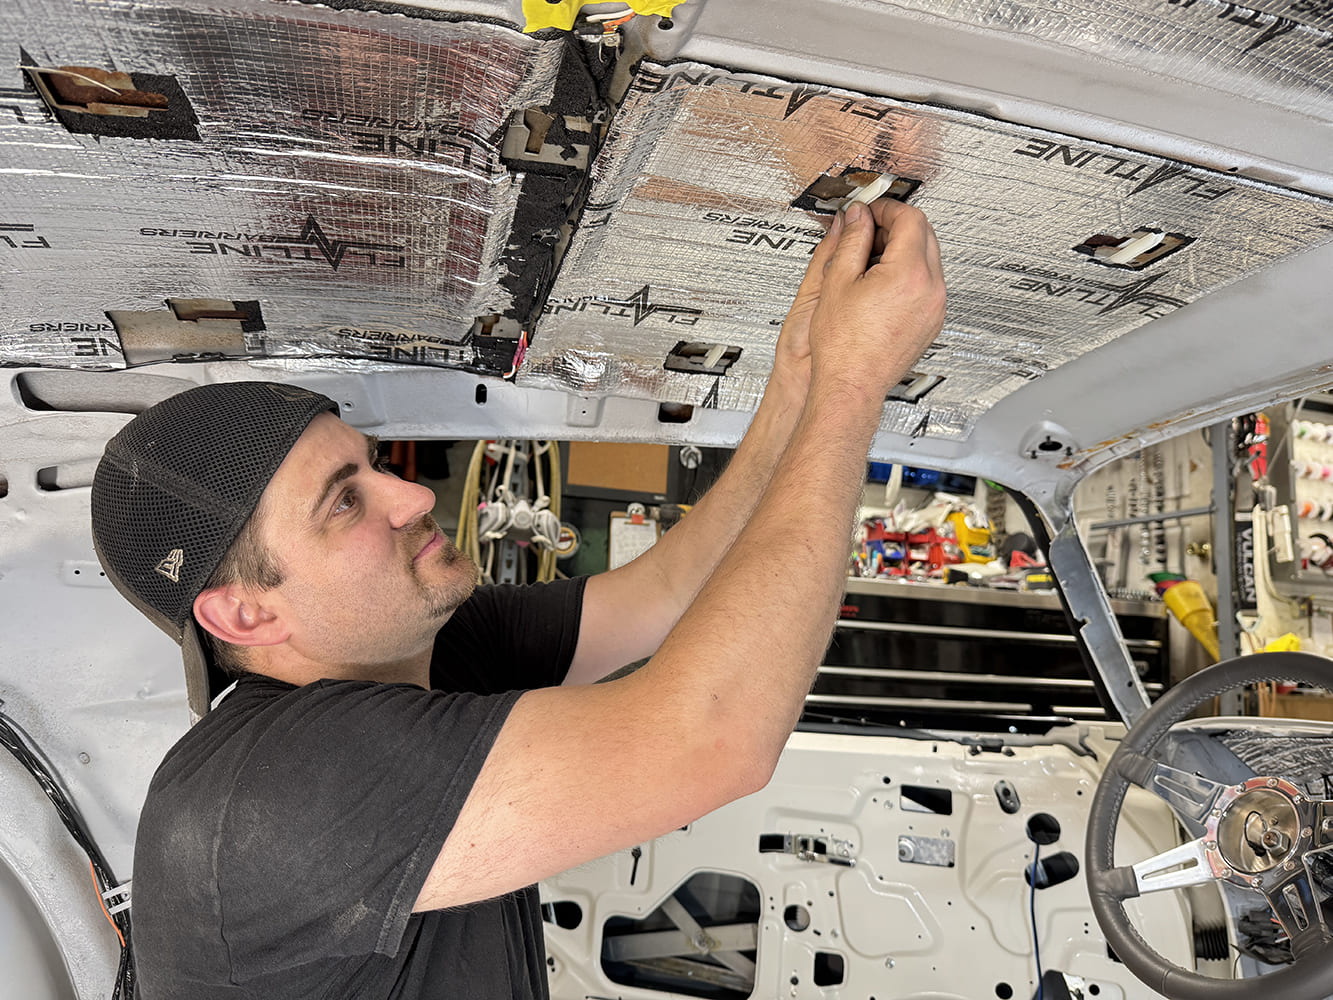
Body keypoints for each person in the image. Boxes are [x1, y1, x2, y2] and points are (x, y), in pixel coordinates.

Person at [89, 197, 946, 999]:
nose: (412, 497)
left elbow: (664, 596)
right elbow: (712, 740)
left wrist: (801, 380)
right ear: (245, 615)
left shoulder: (418, 652)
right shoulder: (270, 793)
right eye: (345, 502)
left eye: (371, 464)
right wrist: (852, 389)